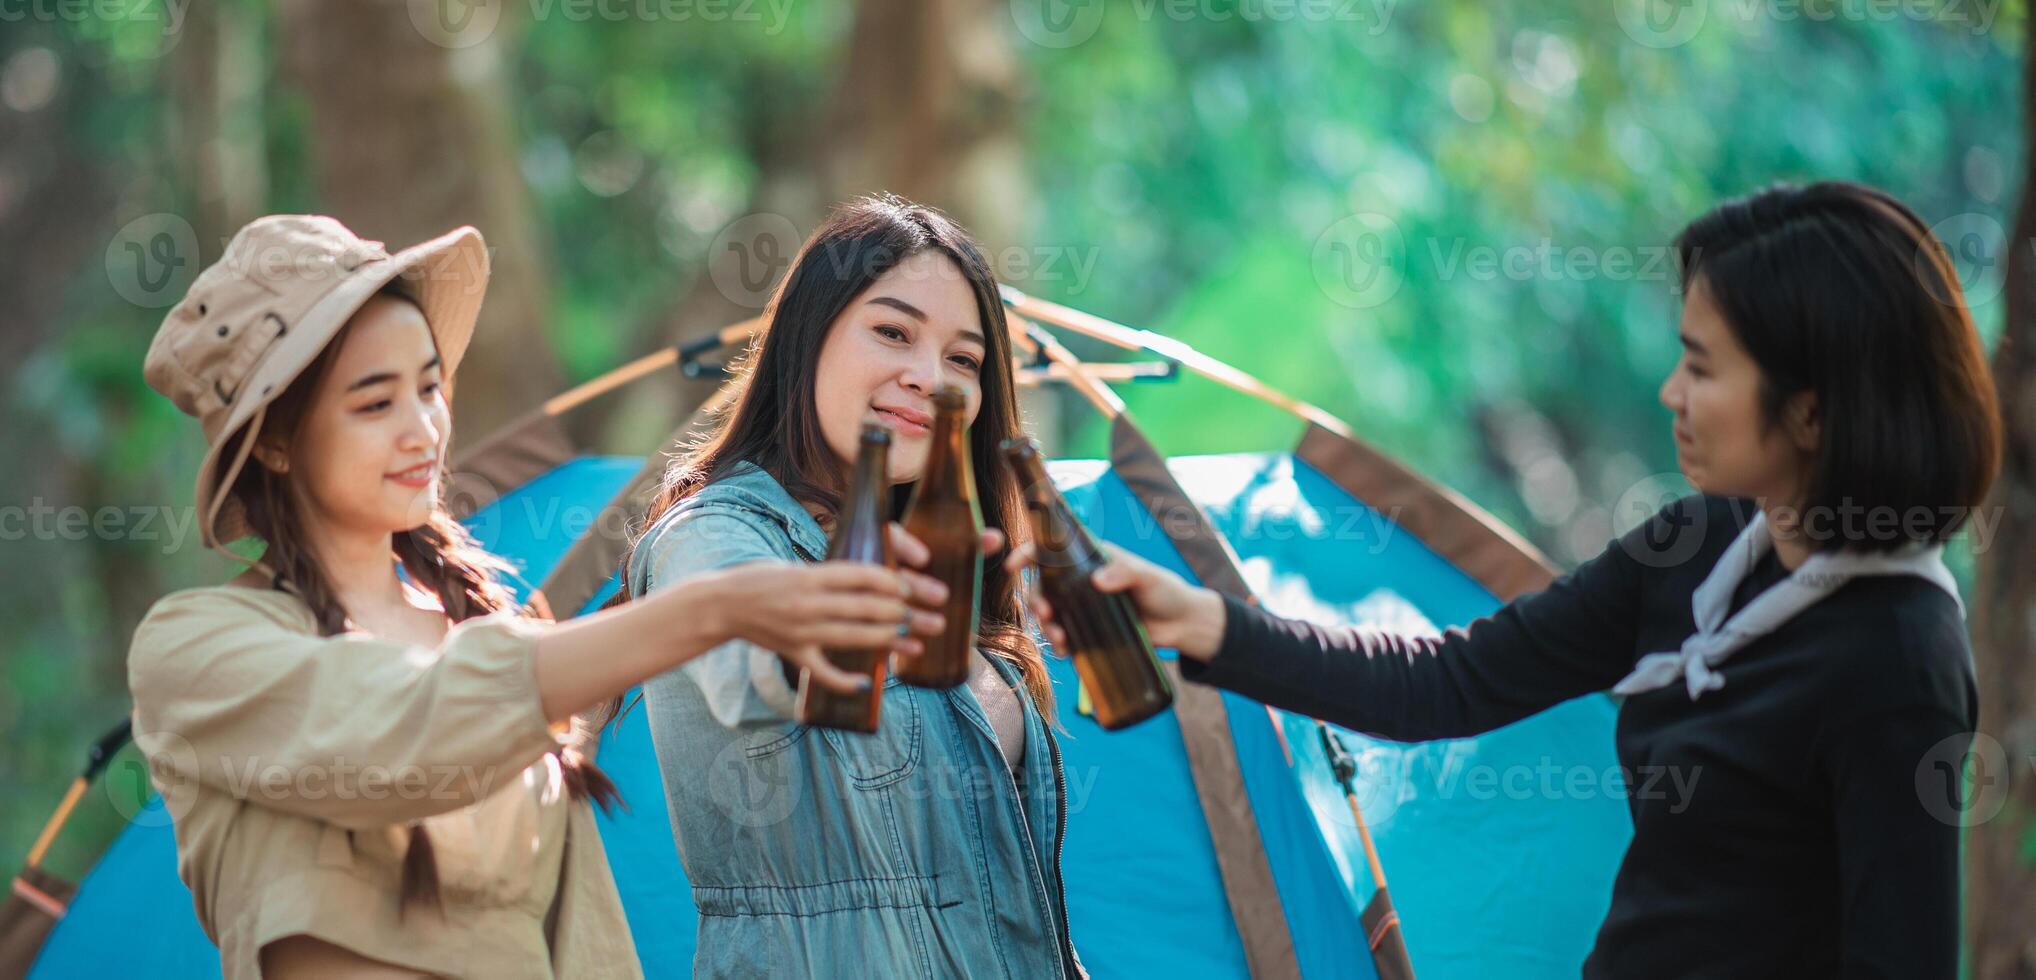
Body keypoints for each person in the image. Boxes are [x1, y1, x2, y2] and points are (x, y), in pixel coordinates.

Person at [1014, 182, 1999, 977]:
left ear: (1812, 412)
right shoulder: (1694, 545)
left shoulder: (1894, 650)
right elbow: (1447, 679)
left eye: (1701, 368)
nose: (1669, 393)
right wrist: (1204, 620)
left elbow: (1897, 955)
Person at [128, 215, 942, 979]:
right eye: (375, 403)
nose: (422, 431)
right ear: (272, 440)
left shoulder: (495, 630)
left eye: (430, 387)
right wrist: (718, 608)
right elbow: (413, 728)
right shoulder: (198, 650)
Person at [623, 195, 1085, 978]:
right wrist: (846, 615)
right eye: (893, 332)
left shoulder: (954, 570)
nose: (928, 378)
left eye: (964, 360)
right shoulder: (716, 536)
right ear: (808, 337)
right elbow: (747, 661)